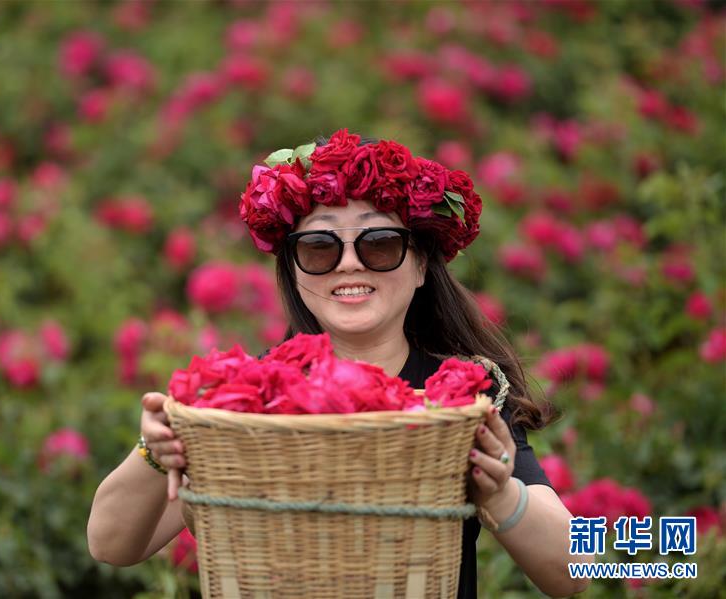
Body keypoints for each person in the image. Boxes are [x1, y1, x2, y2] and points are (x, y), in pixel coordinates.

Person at [87, 129, 592, 597]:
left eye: (380, 244)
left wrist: (500, 494)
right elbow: (111, 545)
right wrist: (157, 451)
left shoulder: (462, 396)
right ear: (294, 270)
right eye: (319, 247)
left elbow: (573, 572)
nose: (349, 262)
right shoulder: (247, 394)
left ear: (420, 266)